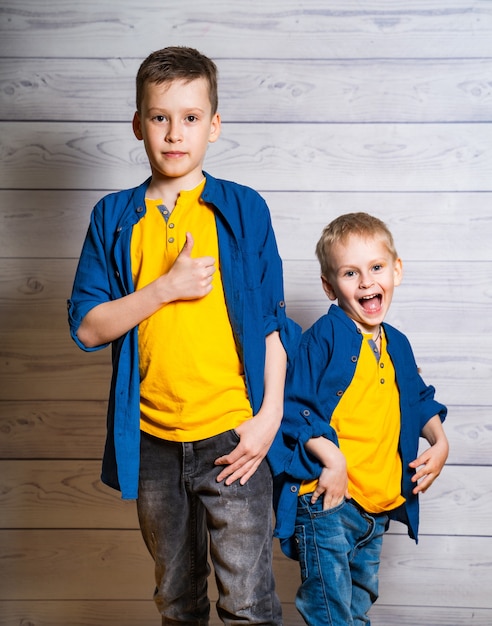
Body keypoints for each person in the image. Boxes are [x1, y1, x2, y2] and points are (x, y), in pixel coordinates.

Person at [68, 46, 296, 624]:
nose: (175, 133)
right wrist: (163, 289)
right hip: (151, 444)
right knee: (177, 599)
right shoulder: (113, 216)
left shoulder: (243, 209)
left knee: (247, 601)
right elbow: (89, 327)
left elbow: (272, 326)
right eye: (160, 117)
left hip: (233, 439)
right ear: (138, 124)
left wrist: (267, 421)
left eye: (191, 117)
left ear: (213, 126)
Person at [268, 212, 449, 626]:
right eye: (351, 273)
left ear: (396, 271)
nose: (367, 282)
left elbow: (419, 400)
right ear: (330, 287)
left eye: (376, 268)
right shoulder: (324, 338)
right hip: (329, 501)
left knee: (357, 608)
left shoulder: (397, 343)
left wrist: (440, 442)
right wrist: (332, 459)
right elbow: (294, 409)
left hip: (377, 505)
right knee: (329, 611)